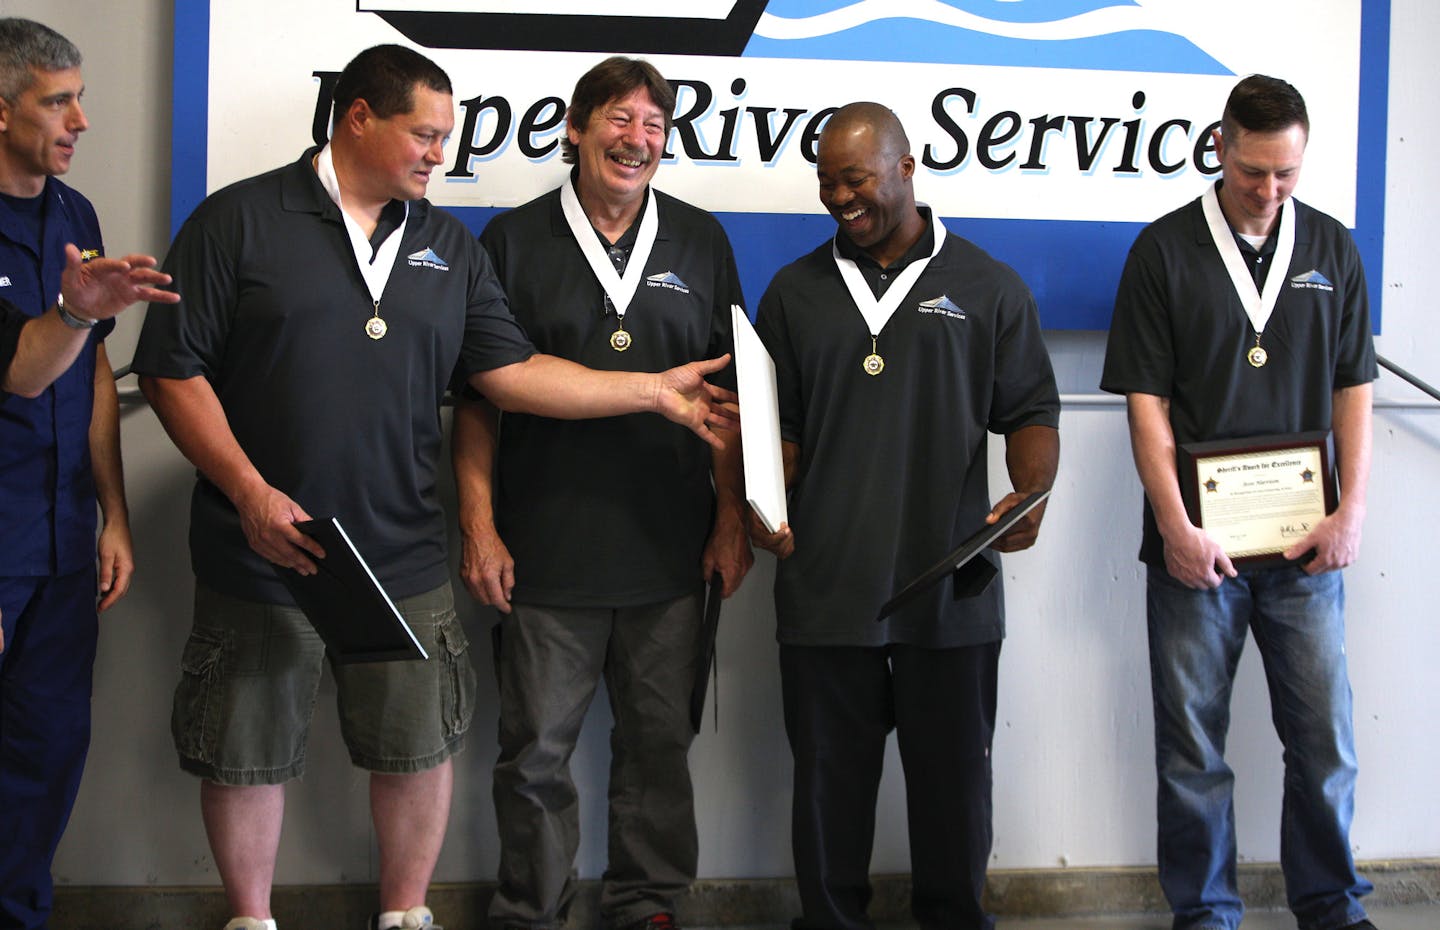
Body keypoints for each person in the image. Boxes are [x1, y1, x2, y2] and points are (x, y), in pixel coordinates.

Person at [131, 45, 735, 930]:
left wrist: (649, 390)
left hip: (403, 552)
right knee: (244, 754)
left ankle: (405, 915)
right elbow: (171, 371)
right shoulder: (238, 221)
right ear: (358, 118)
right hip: (259, 546)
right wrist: (249, 493)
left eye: (445, 137)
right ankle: (251, 918)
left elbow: (512, 372)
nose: (437, 155)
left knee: (416, 750)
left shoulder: (446, 243)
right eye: (424, 134)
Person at [451, 56, 751, 930]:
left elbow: (729, 408)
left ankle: (647, 907)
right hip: (546, 556)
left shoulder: (702, 242)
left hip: (668, 554)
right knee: (534, 755)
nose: (638, 139)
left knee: (660, 747)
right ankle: (530, 911)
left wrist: (730, 520)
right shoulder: (511, 240)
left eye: (655, 125)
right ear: (574, 128)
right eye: (619, 119)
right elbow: (476, 405)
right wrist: (479, 527)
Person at [749, 102, 1060, 930]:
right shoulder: (793, 293)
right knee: (827, 793)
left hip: (948, 588)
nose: (839, 199)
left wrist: (1030, 491)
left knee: (956, 791)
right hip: (826, 590)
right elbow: (777, 427)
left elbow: (1031, 409)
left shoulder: (989, 285)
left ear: (906, 167)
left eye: (855, 180)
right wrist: (763, 501)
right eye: (826, 184)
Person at [1100, 74, 1377, 930]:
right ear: (1220, 148)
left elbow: (1353, 388)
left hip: (1307, 550)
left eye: (1286, 173)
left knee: (1325, 744)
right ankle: (1205, 914)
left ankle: (1330, 905)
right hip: (1197, 555)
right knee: (1192, 751)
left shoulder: (1332, 249)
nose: (1268, 191)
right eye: (1254, 171)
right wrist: (1176, 527)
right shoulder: (1163, 252)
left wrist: (1353, 511)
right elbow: (1145, 402)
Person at [0, 17, 179, 930]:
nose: (80, 122)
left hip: (64, 539)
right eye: (57, 102)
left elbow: (95, 375)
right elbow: (21, 368)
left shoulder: (75, 219)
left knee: (48, 748)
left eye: (81, 99)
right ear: (0, 111)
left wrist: (112, 511)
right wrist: (74, 313)